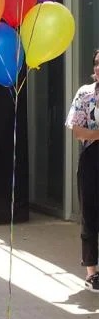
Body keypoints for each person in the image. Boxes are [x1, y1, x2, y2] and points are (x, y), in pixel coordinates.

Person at [66, 48, 99, 292]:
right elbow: (77, 131)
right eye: (97, 63)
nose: (98, 68)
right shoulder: (85, 94)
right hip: (92, 158)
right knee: (90, 213)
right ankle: (92, 272)